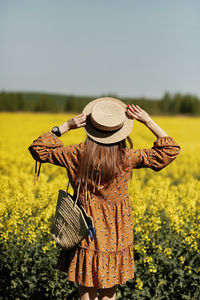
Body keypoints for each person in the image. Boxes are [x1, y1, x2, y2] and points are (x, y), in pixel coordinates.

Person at [28, 97, 181, 300]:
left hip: (85, 229)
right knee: (109, 295)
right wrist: (147, 121)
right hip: (117, 230)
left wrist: (66, 126)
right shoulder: (127, 157)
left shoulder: (77, 153)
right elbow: (170, 150)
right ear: (121, 131)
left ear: (90, 128)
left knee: (87, 293)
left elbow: (39, 148)